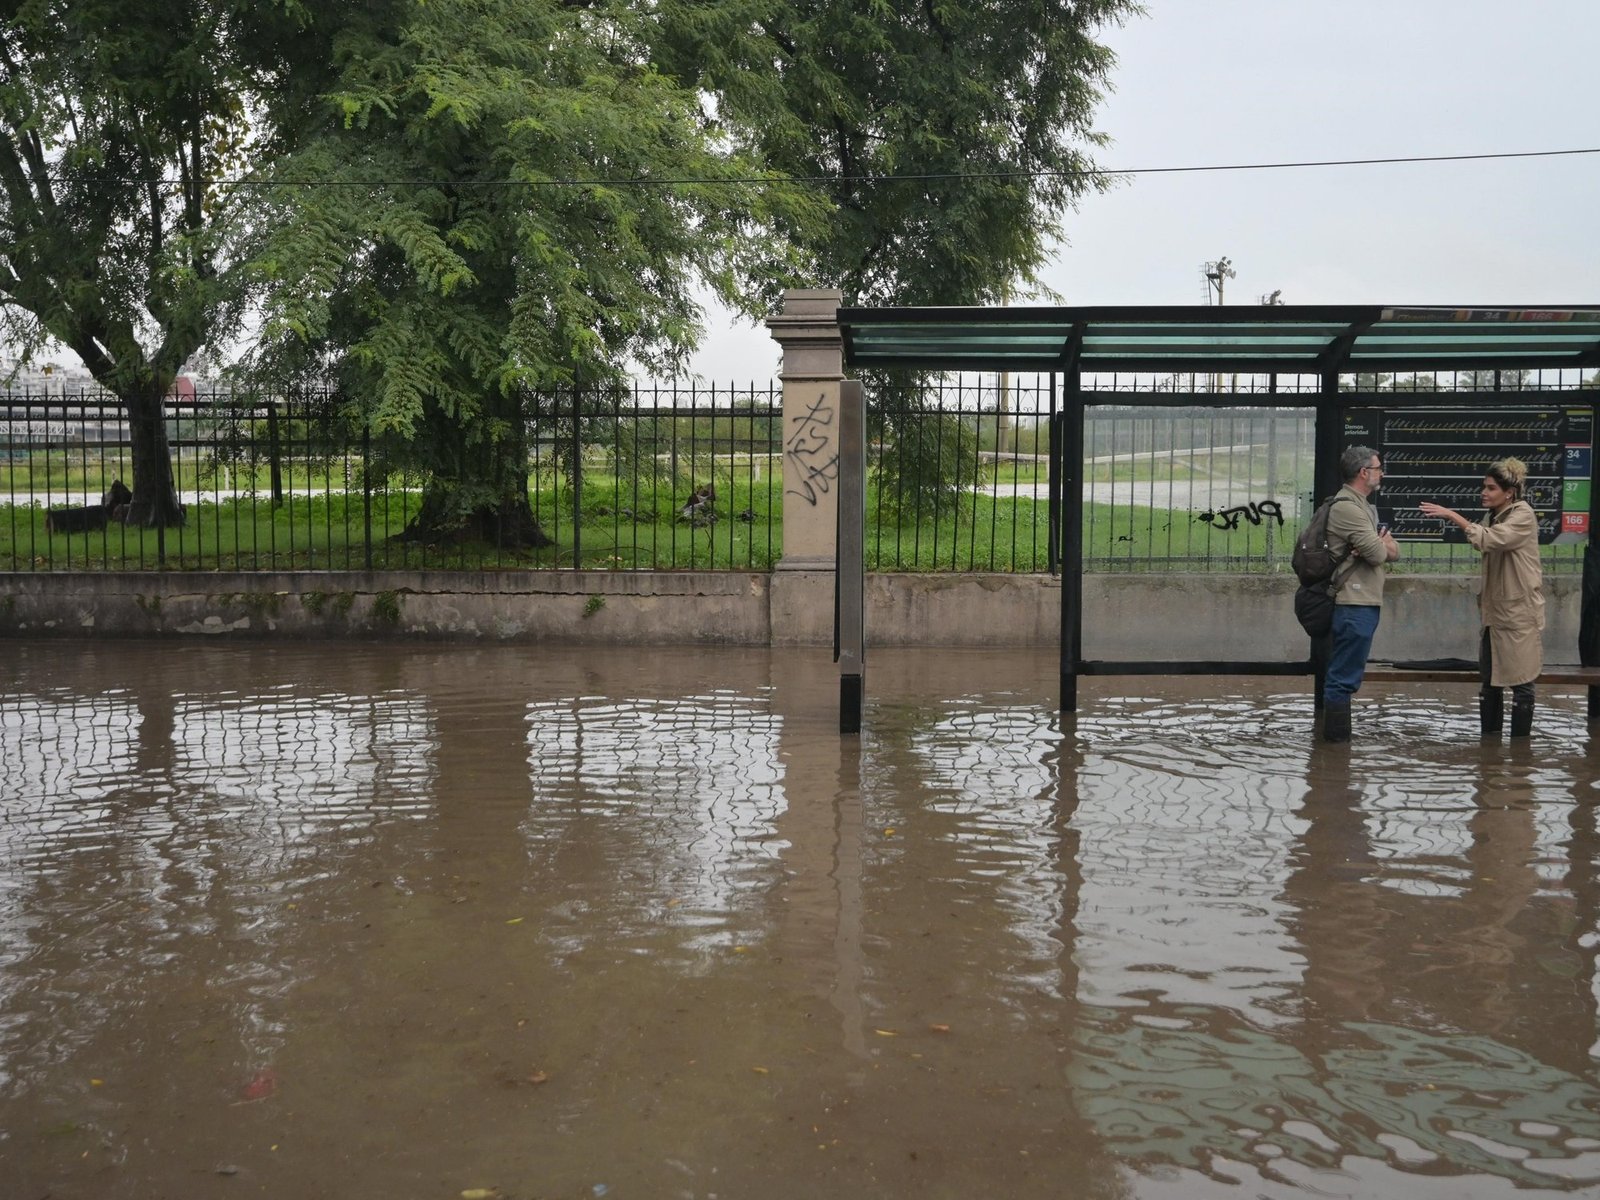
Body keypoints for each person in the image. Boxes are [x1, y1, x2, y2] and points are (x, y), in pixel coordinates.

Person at [1419, 457, 1544, 737]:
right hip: (1494, 615)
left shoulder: (1522, 514)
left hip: (1518, 615)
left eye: (1490, 488)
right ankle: (1490, 754)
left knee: (1522, 684)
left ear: (1509, 492)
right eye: (1484, 487)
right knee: (1490, 683)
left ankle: (1520, 756)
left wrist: (1453, 516)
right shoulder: (1497, 515)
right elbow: (1487, 539)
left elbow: (1490, 540)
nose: (1484, 493)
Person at [1322, 445, 1401, 743]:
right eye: (1378, 468)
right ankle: (1336, 756)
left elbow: (1393, 551)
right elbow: (1379, 553)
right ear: (1363, 472)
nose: (1382, 473)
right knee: (1342, 680)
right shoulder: (1347, 507)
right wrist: (1379, 546)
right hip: (1352, 603)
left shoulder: (1364, 506)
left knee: (1346, 677)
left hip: (1364, 603)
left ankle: (1335, 758)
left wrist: (1380, 546)